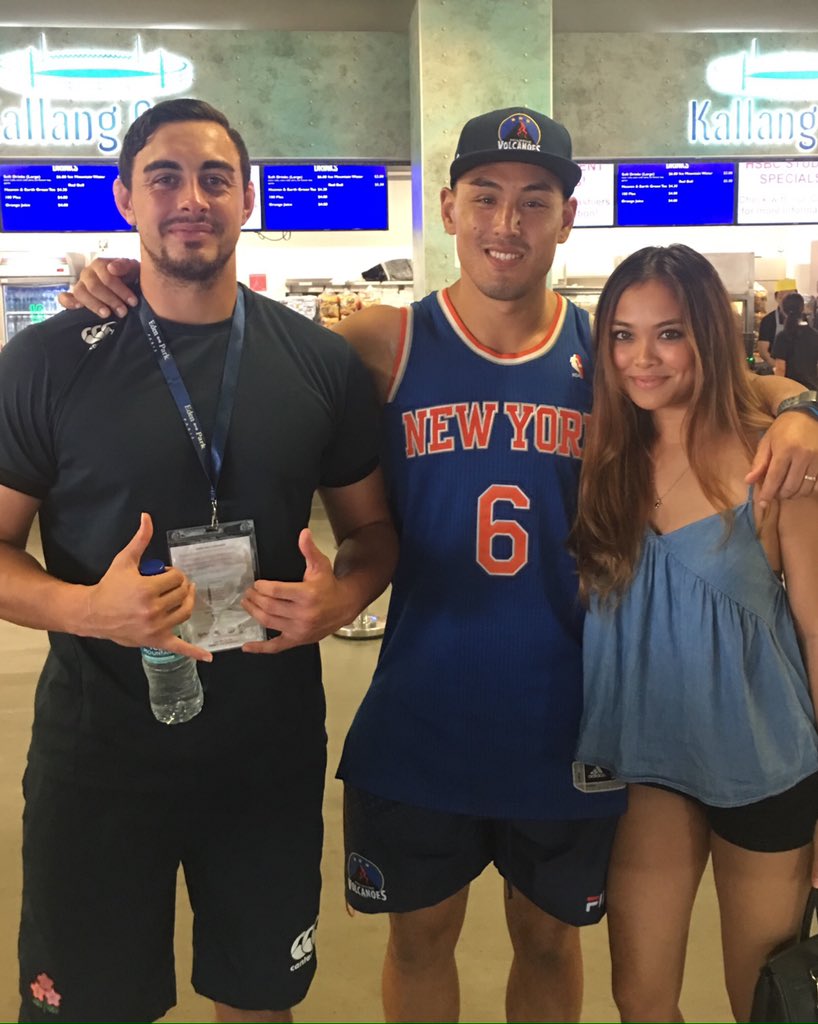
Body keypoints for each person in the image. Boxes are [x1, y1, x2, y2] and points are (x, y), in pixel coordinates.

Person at [61, 107, 818, 1024]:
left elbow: (728, 385)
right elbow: (243, 348)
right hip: (425, 709)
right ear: (451, 207)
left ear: (567, 217)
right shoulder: (385, 342)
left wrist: (800, 406)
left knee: (549, 940)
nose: (508, 223)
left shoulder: (607, 352)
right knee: (419, 940)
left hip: (570, 715)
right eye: (487, 198)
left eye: (534, 201)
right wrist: (124, 285)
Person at [0, 98, 397, 1024]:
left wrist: (338, 600)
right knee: (89, 1007)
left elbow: (374, 535)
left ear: (247, 199)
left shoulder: (318, 364)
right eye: (165, 177)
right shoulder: (48, 361)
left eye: (215, 178)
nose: (191, 197)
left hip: (266, 753)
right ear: (125, 198)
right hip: (98, 753)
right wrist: (85, 610)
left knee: (260, 1001)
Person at [571, 244, 818, 1023]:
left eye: (668, 333)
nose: (642, 358)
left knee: (763, 1000)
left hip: (766, 764)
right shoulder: (601, 455)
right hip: (646, 760)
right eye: (622, 334)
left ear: (708, 335)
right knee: (640, 997)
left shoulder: (773, 461)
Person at [773, 291, 818, 390]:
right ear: (802, 308)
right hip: (811, 390)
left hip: (790, 390)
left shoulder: (783, 336)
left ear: (783, 309)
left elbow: (780, 369)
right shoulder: (814, 335)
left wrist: (777, 389)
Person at [757, 277, 797, 369]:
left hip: (800, 373)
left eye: (793, 297)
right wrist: (778, 367)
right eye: (787, 297)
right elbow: (763, 351)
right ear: (777, 297)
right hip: (776, 371)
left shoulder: (804, 319)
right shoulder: (768, 320)